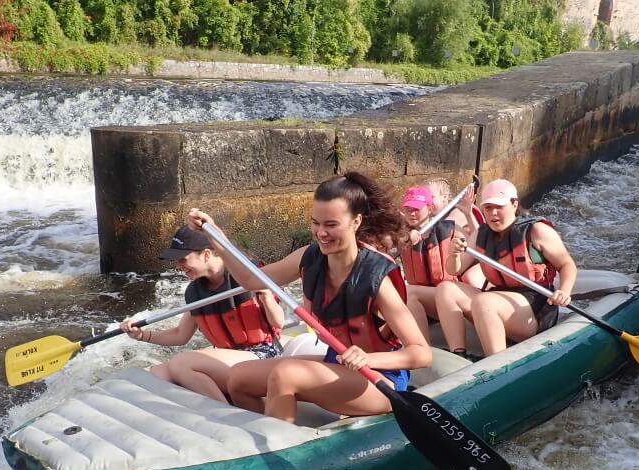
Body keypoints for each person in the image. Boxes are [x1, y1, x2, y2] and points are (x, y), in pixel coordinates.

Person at [187, 171, 432, 424]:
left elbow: (421, 354)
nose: (321, 233)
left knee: (286, 373)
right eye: (316, 223)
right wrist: (215, 236)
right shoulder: (309, 258)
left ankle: (281, 441)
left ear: (356, 222)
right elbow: (250, 279)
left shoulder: (376, 278)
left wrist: (368, 358)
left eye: (331, 225)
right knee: (239, 379)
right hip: (336, 364)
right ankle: (274, 430)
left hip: (378, 379)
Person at [118, 225, 285, 402]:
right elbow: (180, 335)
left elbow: (278, 322)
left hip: (264, 355)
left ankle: (223, 411)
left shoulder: (248, 276)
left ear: (206, 255)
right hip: (231, 358)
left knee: (181, 363)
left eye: (183, 259)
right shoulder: (197, 291)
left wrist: (266, 295)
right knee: (158, 373)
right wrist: (141, 335)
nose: (178, 266)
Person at [435, 178, 577, 358]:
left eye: (499, 207)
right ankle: (459, 353)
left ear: (514, 204)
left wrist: (564, 290)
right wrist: (454, 254)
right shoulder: (481, 234)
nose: (493, 213)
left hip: (535, 308)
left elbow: (567, 264)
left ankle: (496, 363)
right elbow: (454, 270)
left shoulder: (537, 231)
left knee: (483, 301)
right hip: (499, 300)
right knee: (446, 289)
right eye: (488, 208)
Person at [398, 184, 485, 340]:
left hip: (447, 296)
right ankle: (421, 346)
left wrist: (468, 214)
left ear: (430, 209)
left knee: (409, 292)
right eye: (408, 209)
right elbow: (385, 242)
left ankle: (421, 346)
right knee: (406, 294)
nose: (412, 213)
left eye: (416, 209)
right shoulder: (401, 234)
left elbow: (479, 242)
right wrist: (406, 236)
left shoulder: (448, 228)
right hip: (426, 301)